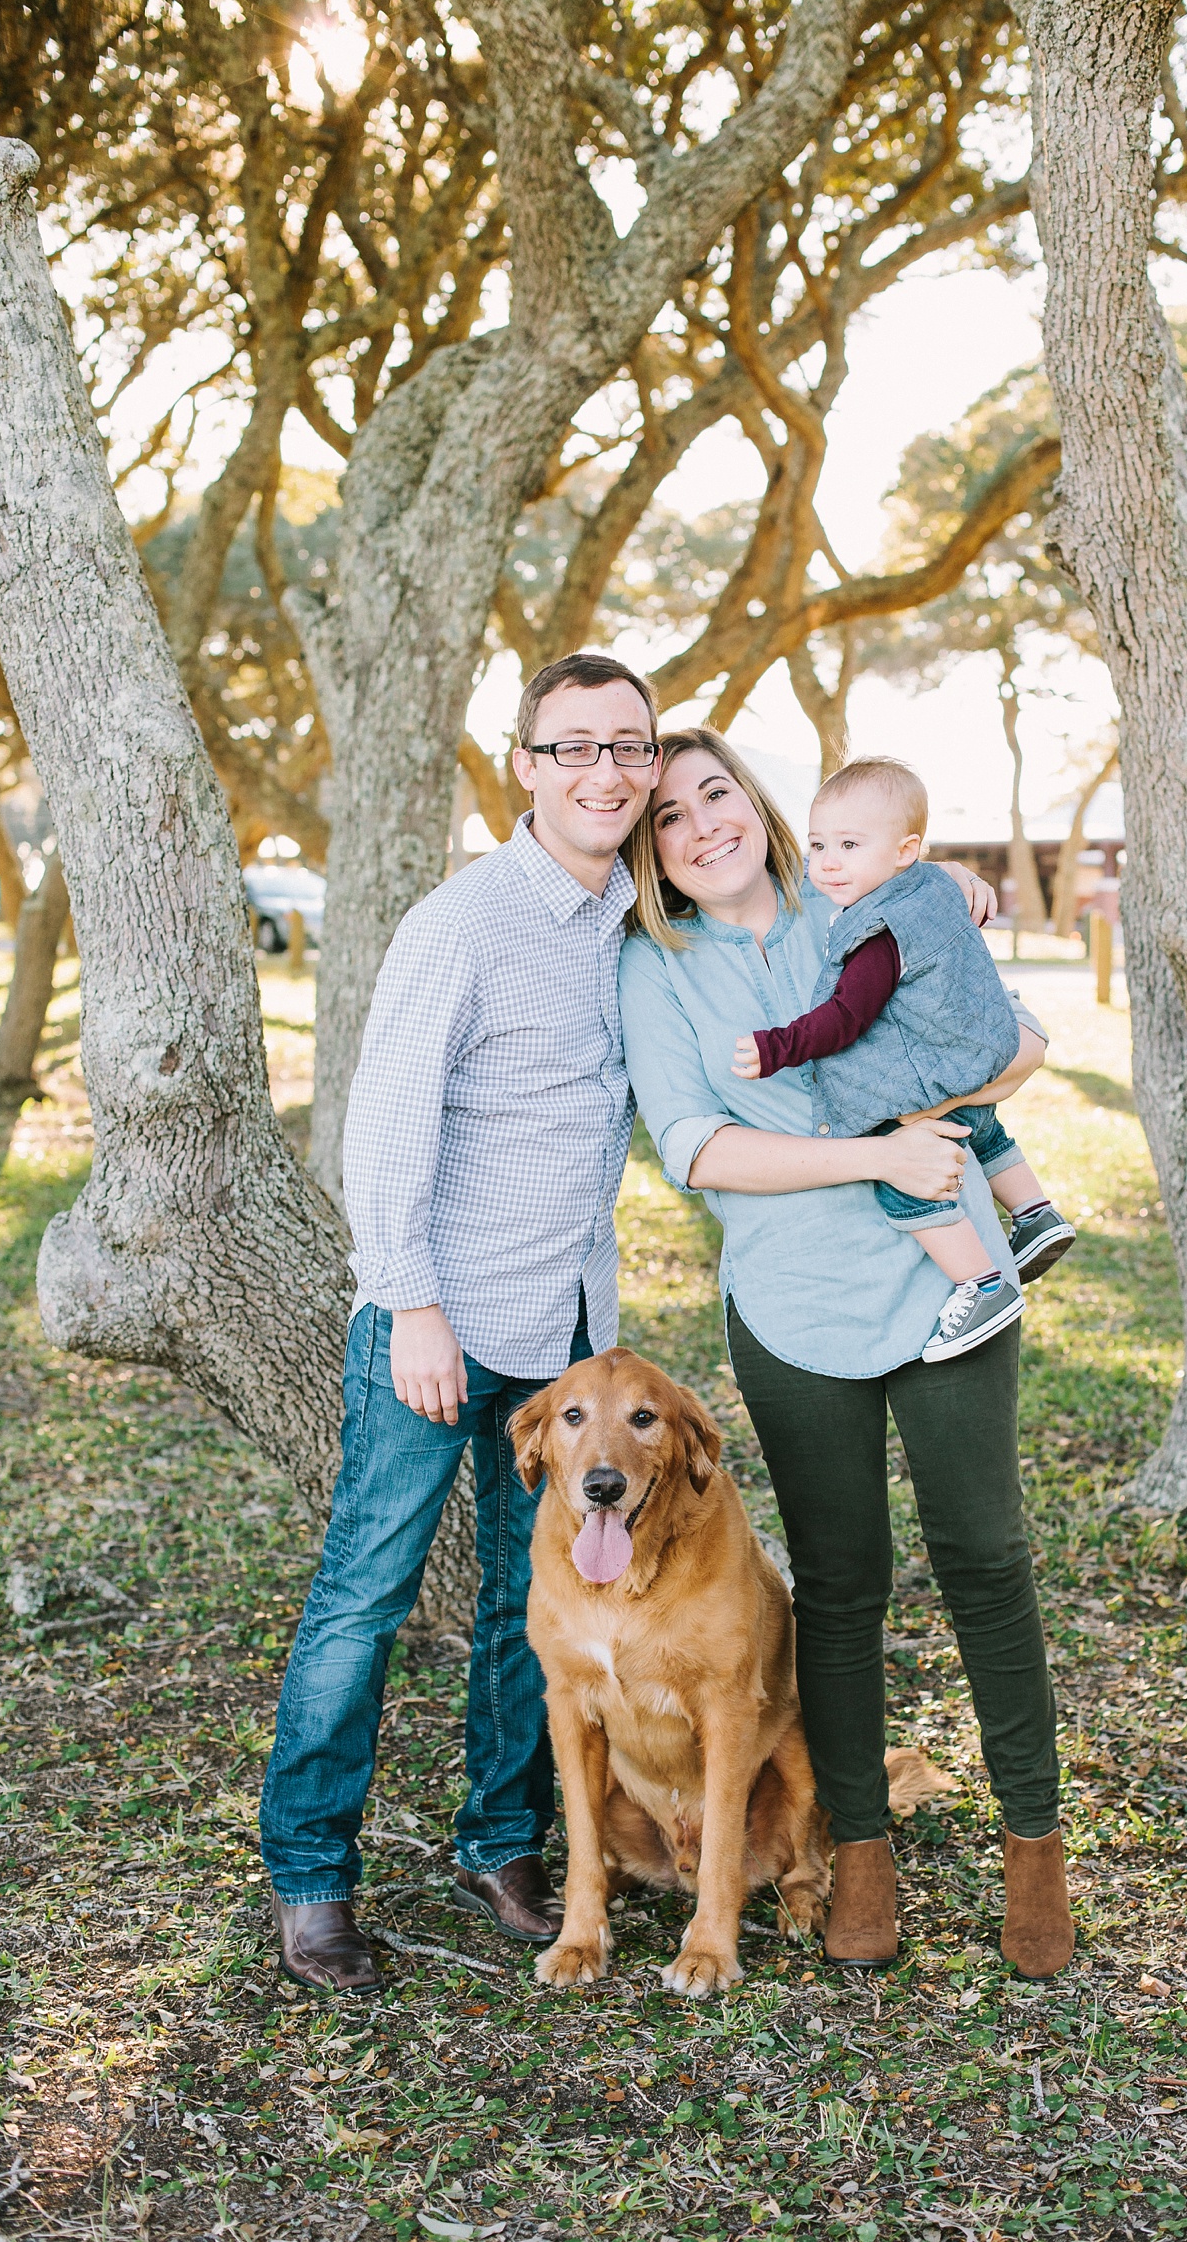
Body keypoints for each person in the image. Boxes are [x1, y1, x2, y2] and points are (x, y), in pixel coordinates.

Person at [617, 728, 1075, 1980]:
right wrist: (877, 1152)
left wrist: (925, 1096)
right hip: (794, 1305)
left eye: (714, 793)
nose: (701, 824)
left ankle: (1035, 1846)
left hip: (952, 1290)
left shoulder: (872, 898)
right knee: (841, 1578)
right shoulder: (655, 971)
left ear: (754, 804)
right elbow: (698, 1150)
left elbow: (1019, 1043)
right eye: (667, 817)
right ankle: (859, 1849)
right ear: (651, 851)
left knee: (986, 1556)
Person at [258, 651, 663, 1994]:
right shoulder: (464, 921)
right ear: (526, 764)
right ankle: (312, 1880)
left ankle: (501, 1839)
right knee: (363, 1600)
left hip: (567, 1337)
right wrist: (413, 1302)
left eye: (629, 746)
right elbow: (383, 1127)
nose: (605, 770)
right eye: (575, 747)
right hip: (443, 1322)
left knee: (527, 1600)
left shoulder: (637, 927)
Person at [732, 755, 1075, 1364]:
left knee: (906, 1183)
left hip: (926, 1066)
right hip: (974, 1043)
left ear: (904, 849)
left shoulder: (878, 932)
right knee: (979, 1125)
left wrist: (774, 1047)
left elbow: (845, 1018)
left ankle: (983, 1285)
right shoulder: (932, 888)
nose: (828, 862)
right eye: (817, 845)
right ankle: (1035, 1211)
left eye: (849, 845)